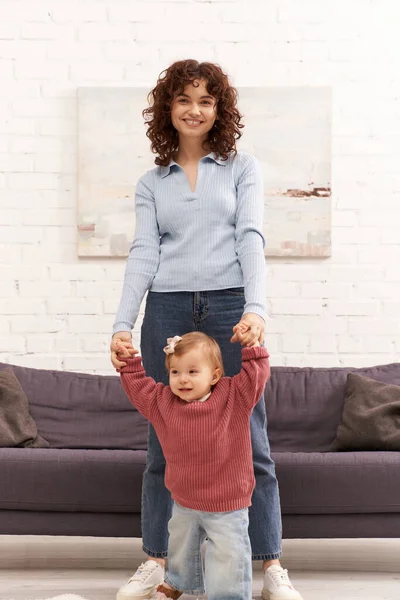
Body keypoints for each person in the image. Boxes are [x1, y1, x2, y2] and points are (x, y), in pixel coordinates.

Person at [110, 59, 303, 600]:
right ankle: (158, 562)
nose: (194, 110)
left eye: (206, 101)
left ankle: (269, 565)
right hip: (167, 308)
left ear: (219, 111)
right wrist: (123, 323)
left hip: (229, 307)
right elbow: (144, 251)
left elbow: (251, 237)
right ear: (167, 109)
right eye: (183, 99)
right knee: (160, 440)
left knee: (252, 440)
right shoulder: (152, 182)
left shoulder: (242, 168)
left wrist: (257, 308)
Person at [116, 330, 270, 599]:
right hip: (184, 498)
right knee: (180, 545)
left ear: (214, 375)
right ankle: (178, 582)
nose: (182, 379)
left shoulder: (235, 396)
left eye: (192, 371)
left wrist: (253, 348)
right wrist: (129, 363)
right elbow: (139, 388)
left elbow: (256, 376)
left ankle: (228, 596)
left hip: (228, 503)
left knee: (228, 554)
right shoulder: (162, 402)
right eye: (175, 372)